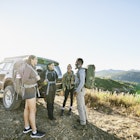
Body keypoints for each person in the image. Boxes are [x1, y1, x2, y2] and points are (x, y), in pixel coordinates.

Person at [22, 55, 45, 138]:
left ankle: (27, 127)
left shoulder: (29, 67)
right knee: (32, 110)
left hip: (28, 90)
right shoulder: (28, 68)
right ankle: (34, 132)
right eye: (36, 59)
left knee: (27, 108)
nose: (37, 61)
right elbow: (24, 80)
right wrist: (36, 79)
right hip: (30, 91)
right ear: (32, 60)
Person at [74, 58, 87, 130]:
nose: (76, 63)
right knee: (82, 106)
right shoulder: (79, 70)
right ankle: (84, 119)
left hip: (80, 91)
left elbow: (82, 82)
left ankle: (82, 122)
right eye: (76, 62)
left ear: (81, 63)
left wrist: (77, 91)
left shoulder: (81, 71)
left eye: (77, 62)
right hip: (81, 90)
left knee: (80, 107)